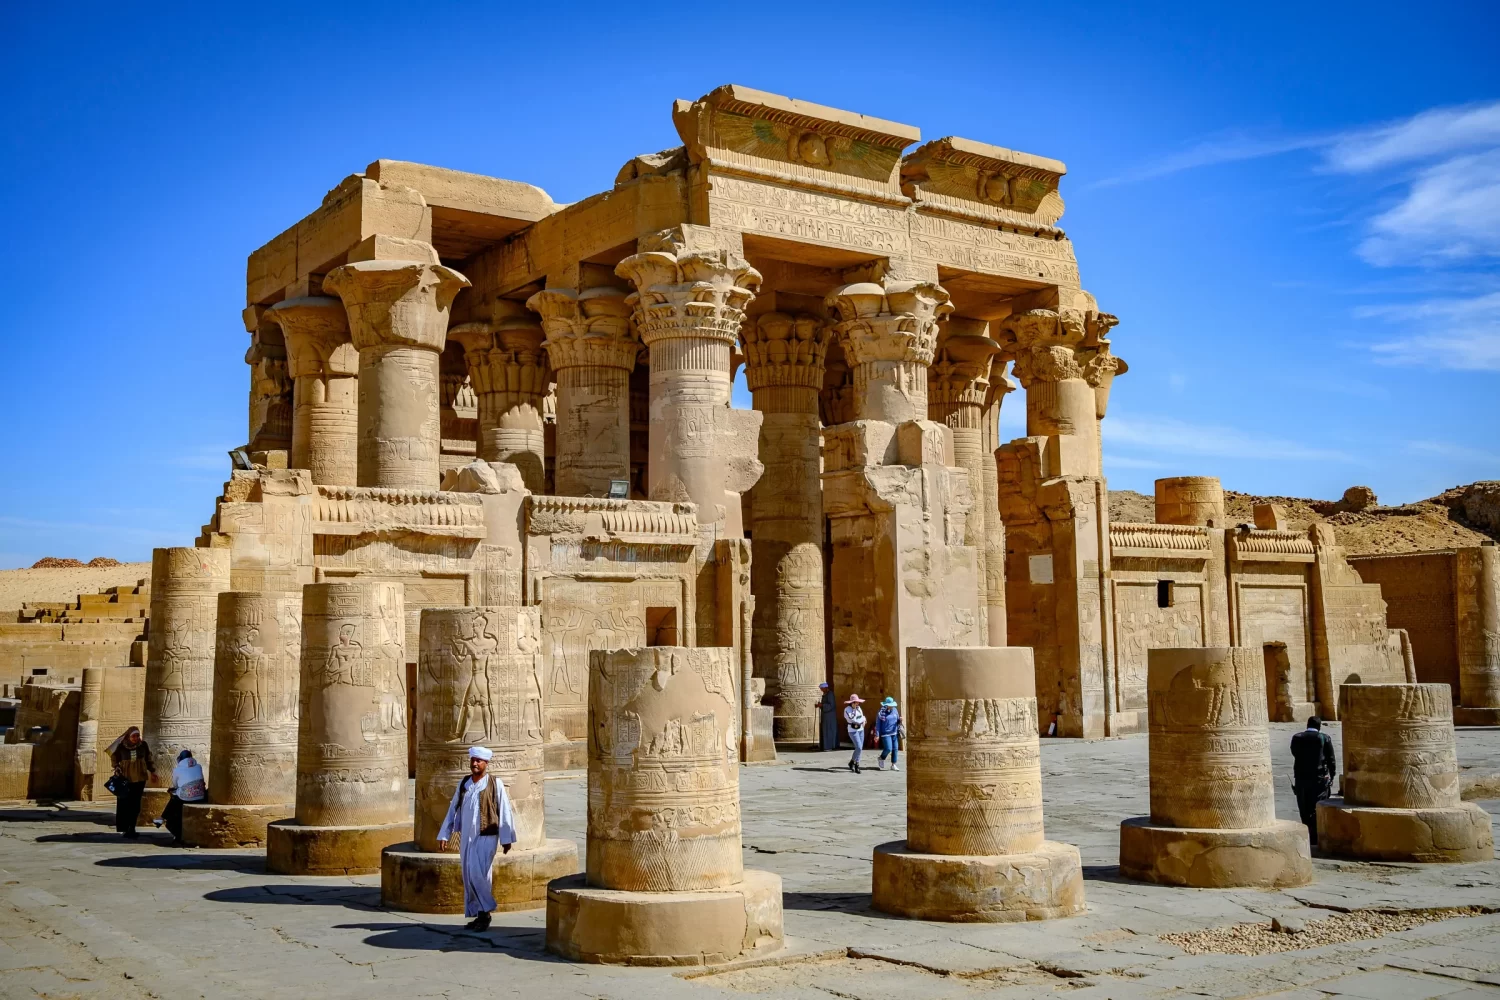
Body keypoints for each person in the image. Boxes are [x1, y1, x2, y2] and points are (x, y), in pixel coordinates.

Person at [437, 746, 516, 930]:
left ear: (486, 764)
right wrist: (444, 834)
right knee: (468, 875)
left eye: (478, 761)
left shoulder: (495, 783)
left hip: (486, 836)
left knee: (478, 874)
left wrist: (506, 838)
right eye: (473, 760)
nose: (475, 763)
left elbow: (504, 810)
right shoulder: (464, 783)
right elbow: (452, 809)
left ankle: (485, 912)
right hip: (467, 837)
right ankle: (479, 915)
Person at [1290, 715, 1337, 845]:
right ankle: (1317, 836)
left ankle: (1308, 835)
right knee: (1317, 806)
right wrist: (1332, 775)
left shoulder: (1297, 738)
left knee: (1304, 807)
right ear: (1319, 726)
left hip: (1301, 779)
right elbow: (1331, 759)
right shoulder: (1324, 738)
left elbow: (1294, 753)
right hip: (1319, 779)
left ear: (1307, 725)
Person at [108, 726, 155, 838]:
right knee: (125, 804)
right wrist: (116, 767)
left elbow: (148, 758)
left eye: (137, 736)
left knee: (135, 805)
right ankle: (125, 827)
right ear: (128, 736)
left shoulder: (143, 745)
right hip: (126, 778)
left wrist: (153, 771)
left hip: (139, 778)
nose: (135, 738)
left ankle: (132, 828)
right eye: (133, 736)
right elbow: (114, 758)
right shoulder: (121, 746)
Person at [161, 749, 206, 846]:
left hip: (185, 797)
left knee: (174, 802)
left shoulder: (177, 770)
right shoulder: (198, 766)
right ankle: (162, 817)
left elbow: (175, 785)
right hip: (200, 796)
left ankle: (164, 818)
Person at [874, 697, 902, 771]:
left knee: (895, 748)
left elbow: (897, 720)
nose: (891, 706)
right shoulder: (881, 712)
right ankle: (881, 758)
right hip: (885, 733)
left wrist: (900, 720)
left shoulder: (895, 710)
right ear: (886, 705)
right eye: (890, 705)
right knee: (888, 748)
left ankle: (893, 764)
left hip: (894, 732)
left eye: (892, 705)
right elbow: (878, 724)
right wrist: (877, 735)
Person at [843, 695, 866, 774]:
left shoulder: (859, 708)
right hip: (853, 730)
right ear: (852, 702)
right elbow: (852, 719)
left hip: (860, 729)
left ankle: (855, 762)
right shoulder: (847, 709)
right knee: (858, 747)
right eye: (856, 702)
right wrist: (861, 719)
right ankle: (855, 763)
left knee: (860, 748)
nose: (858, 704)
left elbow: (863, 717)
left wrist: (863, 720)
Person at [817, 682, 838, 752]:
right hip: (825, 716)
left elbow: (831, 705)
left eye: (822, 688)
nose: (821, 690)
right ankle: (825, 746)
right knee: (825, 730)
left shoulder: (830, 694)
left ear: (826, 688)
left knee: (829, 731)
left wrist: (822, 705)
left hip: (830, 717)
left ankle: (829, 746)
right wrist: (819, 705)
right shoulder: (825, 695)